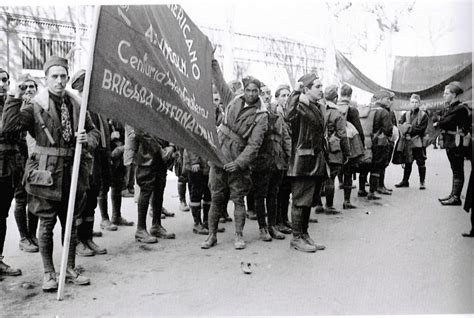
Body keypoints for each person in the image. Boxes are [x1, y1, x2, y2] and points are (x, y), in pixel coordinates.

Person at [2, 56, 99, 291]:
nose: (59, 80)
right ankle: (49, 273)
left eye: (63, 76)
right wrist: (15, 96)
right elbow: (9, 126)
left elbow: (93, 132)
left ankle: (70, 268)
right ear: (46, 79)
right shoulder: (36, 105)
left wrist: (88, 140)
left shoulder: (77, 104)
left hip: (73, 172)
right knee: (45, 224)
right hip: (45, 174)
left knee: (71, 224)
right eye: (54, 76)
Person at [202, 59, 268, 250]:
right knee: (216, 198)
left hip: (238, 160)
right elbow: (219, 81)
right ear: (244, 90)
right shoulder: (231, 100)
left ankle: (239, 235)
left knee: (238, 199)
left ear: (259, 93)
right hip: (218, 157)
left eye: (255, 91)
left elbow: (254, 146)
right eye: (248, 90)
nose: (251, 94)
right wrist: (212, 60)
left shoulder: (261, 116)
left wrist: (239, 163)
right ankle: (211, 235)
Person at [286, 73, 327, 253]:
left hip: (315, 160)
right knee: (300, 200)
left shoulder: (315, 107)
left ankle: (304, 234)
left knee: (309, 200)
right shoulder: (300, 107)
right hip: (302, 161)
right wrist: (295, 92)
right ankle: (296, 238)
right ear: (306, 89)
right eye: (317, 86)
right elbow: (288, 113)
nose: (321, 90)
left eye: (321, 86)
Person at [70, 69, 108, 257]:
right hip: (84, 157)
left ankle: (88, 238)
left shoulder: (96, 105)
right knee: (81, 200)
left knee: (92, 198)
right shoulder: (78, 105)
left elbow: (101, 132)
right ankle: (77, 241)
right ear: (80, 86)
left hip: (99, 157)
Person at [134, 131, 176, 243]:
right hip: (147, 155)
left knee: (159, 189)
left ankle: (156, 225)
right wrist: (159, 149)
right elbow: (140, 131)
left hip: (162, 156)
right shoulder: (141, 112)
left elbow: (170, 125)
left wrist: (171, 146)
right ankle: (141, 229)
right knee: (146, 190)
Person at [0, 68, 22, 278]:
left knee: (2, 216)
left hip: (8, 168)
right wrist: (13, 102)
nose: (2, 84)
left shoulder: (9, 105)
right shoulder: (10, 105)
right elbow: (6, 129)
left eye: (5, 80)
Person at [13, 74, 40, 253]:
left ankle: (32, 235)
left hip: (35, 159)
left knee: (35, 197)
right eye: (25, 86)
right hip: (18, 159)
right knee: (21, 198)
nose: (29, 89)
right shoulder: (16, 109)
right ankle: (24, 237)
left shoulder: (38, 107)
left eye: (32, 86)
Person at [434, 81, 471, 206]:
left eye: (446, 93)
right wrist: (440, 120)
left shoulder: (459, 108)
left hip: (457, 143)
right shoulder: (452, 107)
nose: (444, 95)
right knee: (455, 169)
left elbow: (443, 122)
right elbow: (439, 118)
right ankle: (453, 194)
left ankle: (456, 197)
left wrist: (439, 121)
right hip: (451, 142)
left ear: (454, 95)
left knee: (457, 169)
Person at [316, 85, 350, 213]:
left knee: (319, 177)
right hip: (333, 149)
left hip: (319, 147)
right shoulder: (337, 113)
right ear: (336, 98)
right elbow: (342, 134)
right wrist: (347, 152)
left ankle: (318, 205)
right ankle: (329, 206)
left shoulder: (319, 109)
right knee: (331, 177)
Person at [336, 84, 365, 209]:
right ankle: (346, 201)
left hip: (335, 142)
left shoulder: (333, 107)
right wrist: (361, 144)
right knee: (348, 171)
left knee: (333, 171)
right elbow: (358, 129)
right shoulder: (352, 109)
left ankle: (328, 203)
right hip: (348, 142)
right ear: (350, 95)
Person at [395, 94, 429, 189]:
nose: (414, 104)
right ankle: (405, 181)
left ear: (419, 103)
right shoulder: (405, 114)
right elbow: (400, 125)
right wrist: (405, 128)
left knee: (421, 162)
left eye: (416, 102)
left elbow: (421, 129)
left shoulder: (424, 115)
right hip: (408, 141)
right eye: (412, 102)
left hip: (418, 142)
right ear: (410, 103)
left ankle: (422, 182)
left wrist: (408, 128)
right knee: (407, 162)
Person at [274, 84, 293, 234]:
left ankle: (284, 218)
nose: (286, 98)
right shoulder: (275, 112)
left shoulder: (289, 112)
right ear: (277, 98)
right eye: (283, 95)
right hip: (278, 157)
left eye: (288, 95)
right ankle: (277, 221)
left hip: (287, 157)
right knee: (278, 191)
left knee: (286, 190)